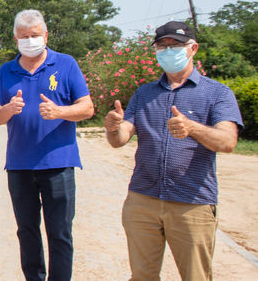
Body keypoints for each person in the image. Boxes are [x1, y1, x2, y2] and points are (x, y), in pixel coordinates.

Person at [104, 21, 242, 280]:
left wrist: (192, 128)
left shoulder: (217, 93)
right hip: (143, 200)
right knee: (142, 276)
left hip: (192, 203)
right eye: (162, 45)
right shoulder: (144, 93)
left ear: (193, 49)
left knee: (195, 276)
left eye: (175, 45)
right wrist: (113, 127)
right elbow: (121, 138)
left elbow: (228, 141)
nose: (168, 51)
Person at [0, 9, 94, 281]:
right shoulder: (6, 71)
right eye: (24, 36)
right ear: (16, 39)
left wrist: (60, 112)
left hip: (58, 164)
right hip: (19, 164)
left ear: (46, 35)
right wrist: (9, 110)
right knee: (26, 230)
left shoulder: (66, 64)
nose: (30, 40)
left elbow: (87, 108)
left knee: (59, 232)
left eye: (35, 35)